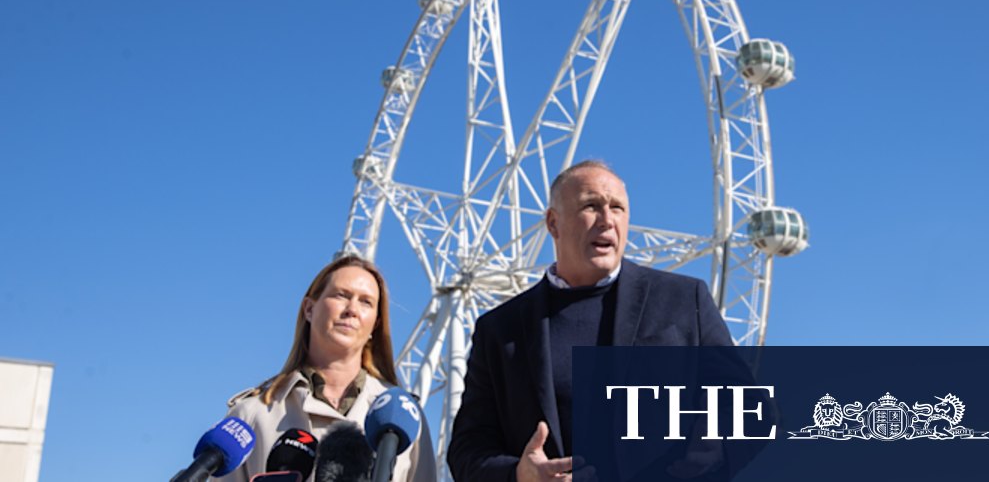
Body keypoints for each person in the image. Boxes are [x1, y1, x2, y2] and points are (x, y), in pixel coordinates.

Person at [448, 160, 734, 482]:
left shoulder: (682, 301)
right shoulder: (500, 331)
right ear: (553, 223)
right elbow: (467, 449)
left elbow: (747, 409)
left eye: (617, 208)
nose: (607, 220)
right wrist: (520, 474)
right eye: (591, 206)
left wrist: (692, 469)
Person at [217, 255, 437, 482]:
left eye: (366, 302)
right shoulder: (253, 414)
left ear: (375, 324)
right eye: (341, 295)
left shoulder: (404, 418)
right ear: (309, 309)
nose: (352, 309)